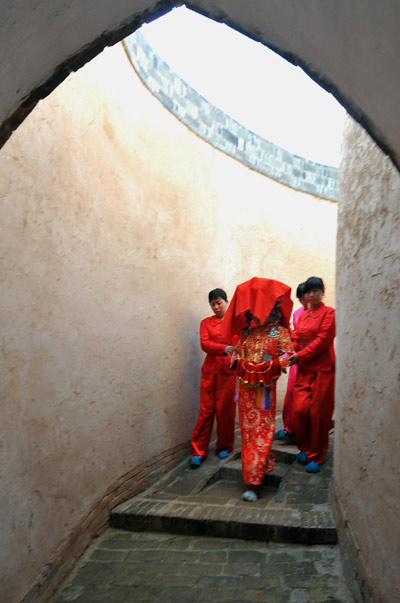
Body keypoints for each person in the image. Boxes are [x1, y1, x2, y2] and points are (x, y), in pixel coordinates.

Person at [222, 277, 293, 501]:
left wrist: (272, 365)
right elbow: (235, 355)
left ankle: (253, 482)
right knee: (248, 434)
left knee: (262, 432)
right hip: (245, 391)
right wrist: (236, 360)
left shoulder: (279, 332)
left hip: (264, 392)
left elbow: (288, 354)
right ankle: (255, 471)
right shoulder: (245, 333)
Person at [288, 276, 335, 473]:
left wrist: (300, 355)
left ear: (322, 291)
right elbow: (297, 339)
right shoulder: (303, 315)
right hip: (304, 369)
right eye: (309, 291)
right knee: (298, 411)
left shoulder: (329, 313)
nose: (312, 294)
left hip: (323, 369)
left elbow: (323, 340)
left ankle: (317, 454)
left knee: (318, 414)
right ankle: (305, 448)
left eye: (316, 290)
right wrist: (290, 351)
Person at [190, 288, 237, 467]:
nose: (216, 307)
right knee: (206, 411)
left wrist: (229, 349)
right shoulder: (205, 323)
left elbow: (238, 343)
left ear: (227, 302)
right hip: (210, 371)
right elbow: (205, 344)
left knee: (225, 410)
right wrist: (224, 348)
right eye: (213, 304)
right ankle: (198, 449)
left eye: (219, 303)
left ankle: (225, 445)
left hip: (229, 371)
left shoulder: (235, 323)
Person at [276, 282, 307, 444]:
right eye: (301, 297)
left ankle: (303, 432)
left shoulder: (324, 314)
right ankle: (289, 427)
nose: (304, 300)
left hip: (309, 360)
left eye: (306, 296)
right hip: (296, 358)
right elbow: (293, 337)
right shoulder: (296, 313)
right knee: (290, 395)